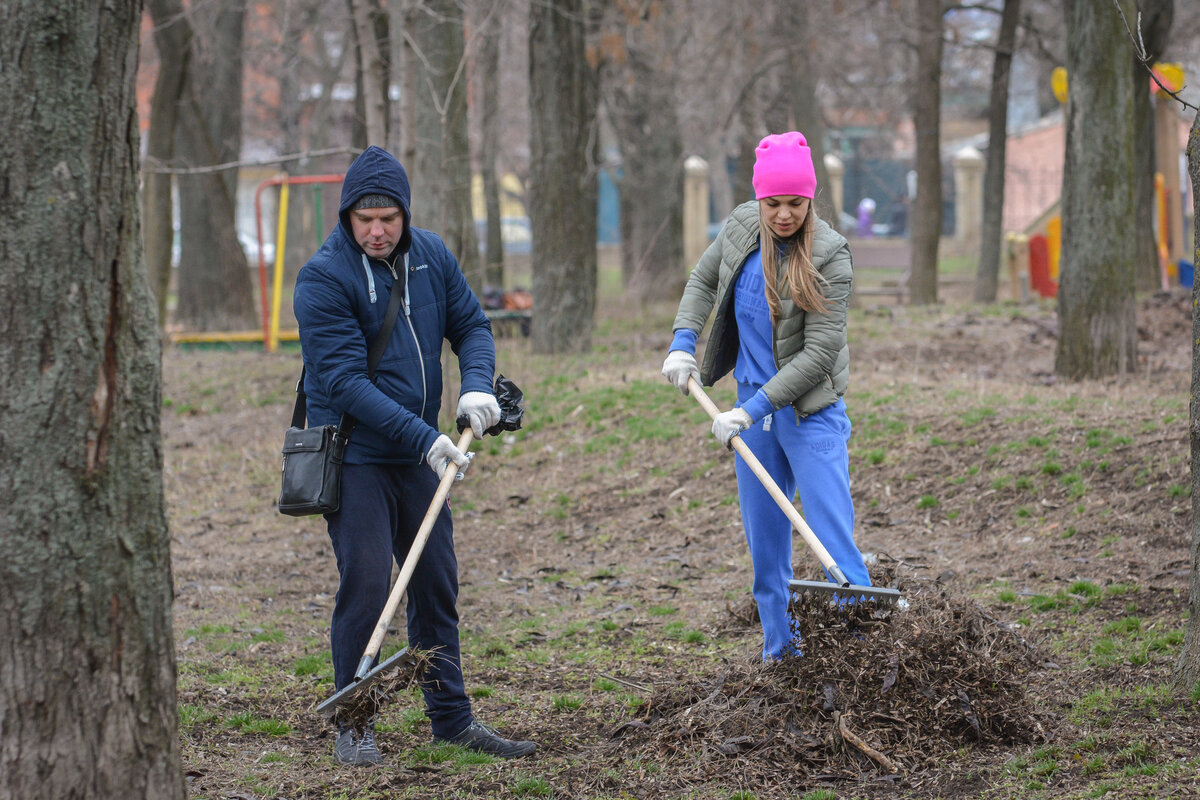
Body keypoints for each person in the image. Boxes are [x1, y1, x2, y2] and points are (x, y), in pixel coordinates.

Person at [293, 145, 537, 765]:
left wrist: (477, 384)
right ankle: (354, 721)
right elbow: (346, 383)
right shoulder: (324, 278)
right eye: (364, 219)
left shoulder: (431, 256)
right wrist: (426, 437)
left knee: (435, 582)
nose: (377, 231)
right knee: (370, 581)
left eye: (389, 218)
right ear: (347, 217)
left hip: (417, 454)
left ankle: (451, 720)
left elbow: (473, 326)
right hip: (354, 456)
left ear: (405, 214)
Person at [660, 131, 873, 661]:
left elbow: (819, 354)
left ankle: (867, 653)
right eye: (772, 203)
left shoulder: (830, 256)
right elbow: (703, 280)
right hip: (749, 411)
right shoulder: (738, 228)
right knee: (766, 545)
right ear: (758, 199)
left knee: (832, 541)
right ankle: (782, 654)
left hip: (809, 412)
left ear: (811, 199)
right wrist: (683, 342)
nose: (783, 215)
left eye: (795, 204)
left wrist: (750, 410)